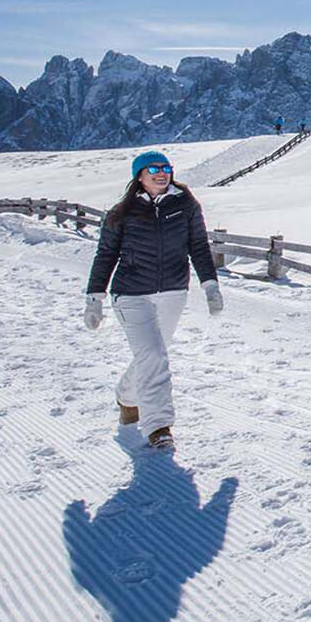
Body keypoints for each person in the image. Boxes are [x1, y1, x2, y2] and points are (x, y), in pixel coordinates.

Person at [83, 150, 225, 450]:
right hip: (131, 294)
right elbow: (105, 255)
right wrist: (94, 297)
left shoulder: (184, 204)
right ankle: (158, 427)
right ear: (139, 176)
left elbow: (198, 246)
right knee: (154, 356)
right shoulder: (121, 213)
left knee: (153, 354)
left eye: (166, 167)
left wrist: (210, 285)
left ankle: (126, 396)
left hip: (173, 291)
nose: (162, 173)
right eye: (153, 169)